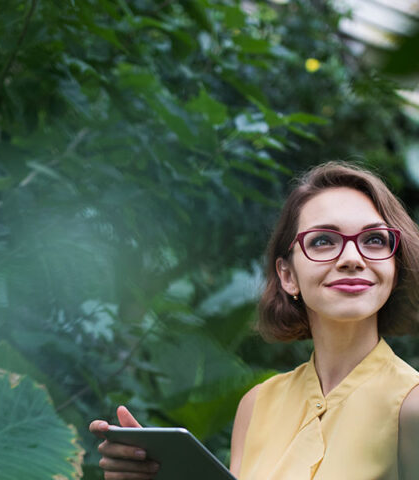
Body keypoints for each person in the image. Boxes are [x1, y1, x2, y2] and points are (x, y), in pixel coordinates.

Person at [90, 162, 419, 480]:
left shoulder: (410, 406)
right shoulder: (257, 404)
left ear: (395, 265)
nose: (351, 258)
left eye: (374, 240)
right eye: (323, 241)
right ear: (287, 275)